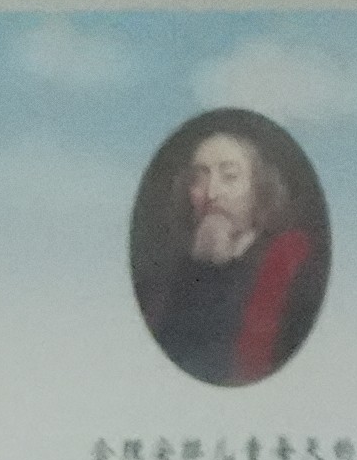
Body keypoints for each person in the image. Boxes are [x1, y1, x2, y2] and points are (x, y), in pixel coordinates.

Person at [139, 113, 331, 389]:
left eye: (229, 176)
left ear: (260, 189)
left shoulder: (292, 262)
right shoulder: (178, 272)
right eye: (199, 179)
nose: (211, 193)